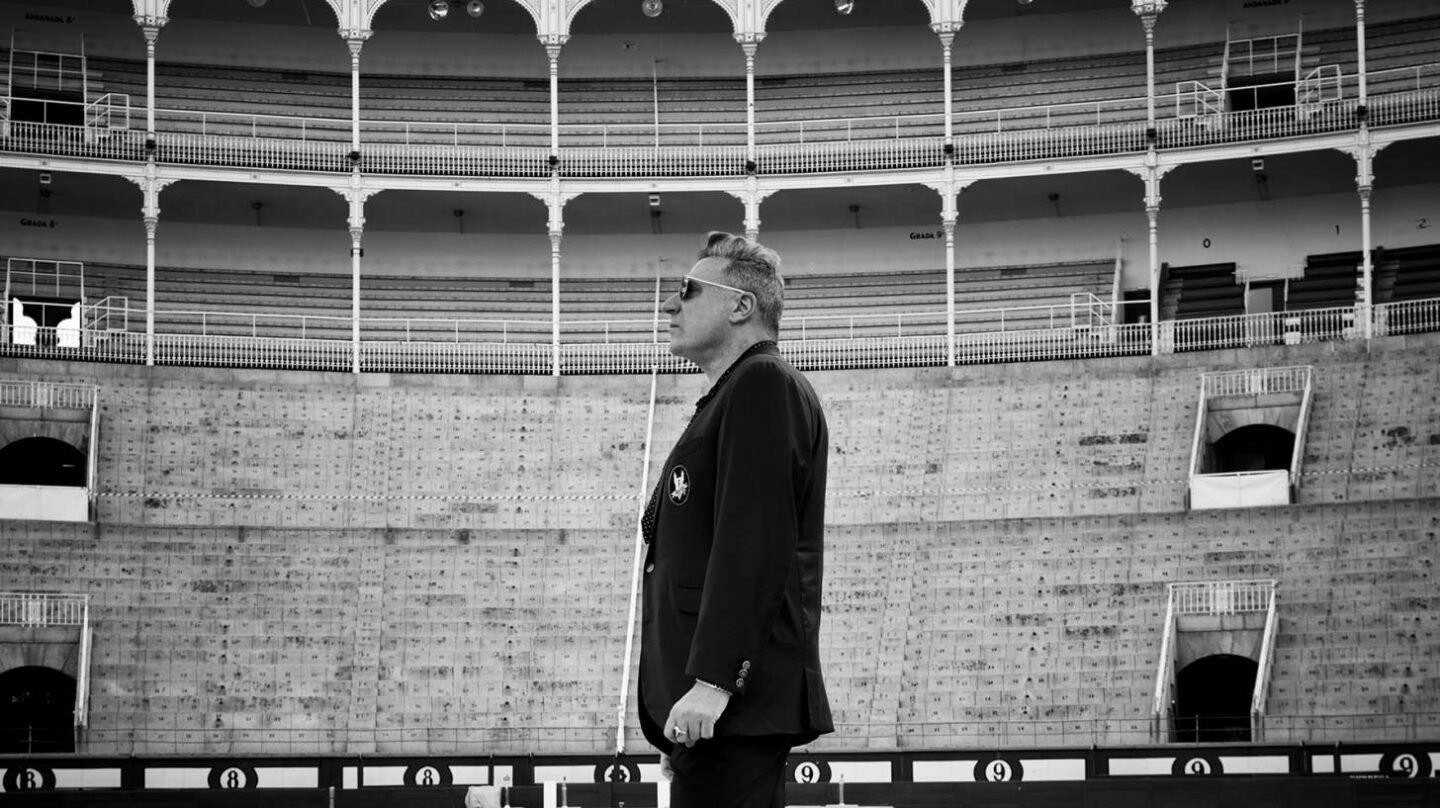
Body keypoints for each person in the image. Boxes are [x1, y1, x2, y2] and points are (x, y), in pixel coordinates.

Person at [638, 232, 832, 807]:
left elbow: (754, 540)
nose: (668, 305)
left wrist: (715, 683)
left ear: (741, 306)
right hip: (718, 710)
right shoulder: (734, 393)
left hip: (732, 700)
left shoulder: (762, 383)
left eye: (687, 291)